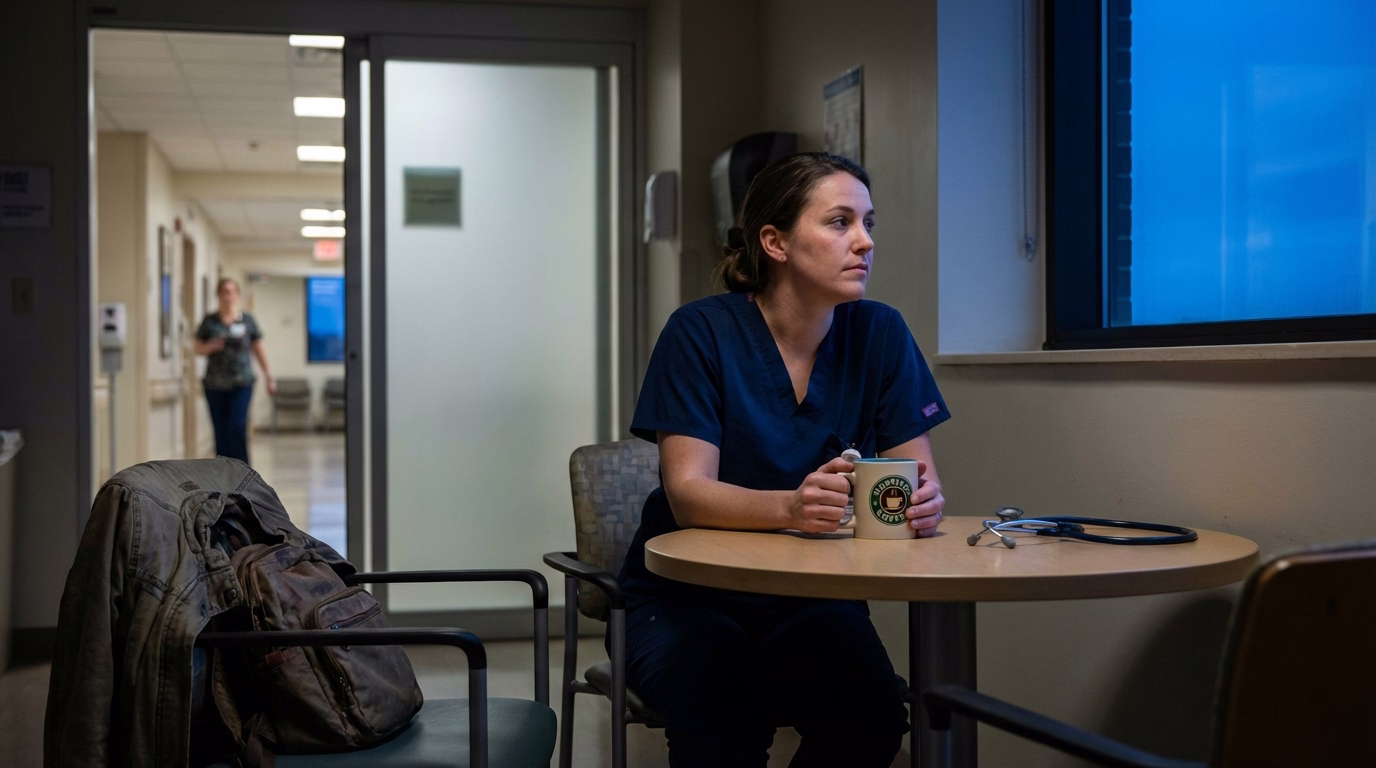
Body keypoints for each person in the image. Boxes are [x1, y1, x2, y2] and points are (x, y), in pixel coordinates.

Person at [619, 152, 951, 767]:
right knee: (724, 717)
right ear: (774, 241)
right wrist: (793, 506)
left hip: (814, 595)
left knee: (873, 715)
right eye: (839, 222)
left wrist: (925, 503)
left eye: (868, 223)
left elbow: (916, 476)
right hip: (689, 597)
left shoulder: (880, 333)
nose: (864, 242)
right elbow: (689, 492)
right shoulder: (700, 332)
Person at [193, 277, 276, 464]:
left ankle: (242, 471)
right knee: (220, 431)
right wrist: (211, 347)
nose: (228, 296)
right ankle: (223, 473)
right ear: (218, 295)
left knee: (237, 426)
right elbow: (197, 348)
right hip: (215, 384)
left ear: (237, 295)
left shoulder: (247, 320)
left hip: (242, 382)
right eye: (224, 292)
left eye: (231, 292)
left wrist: (269, 375)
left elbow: (258, 348)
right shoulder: (210, 321)